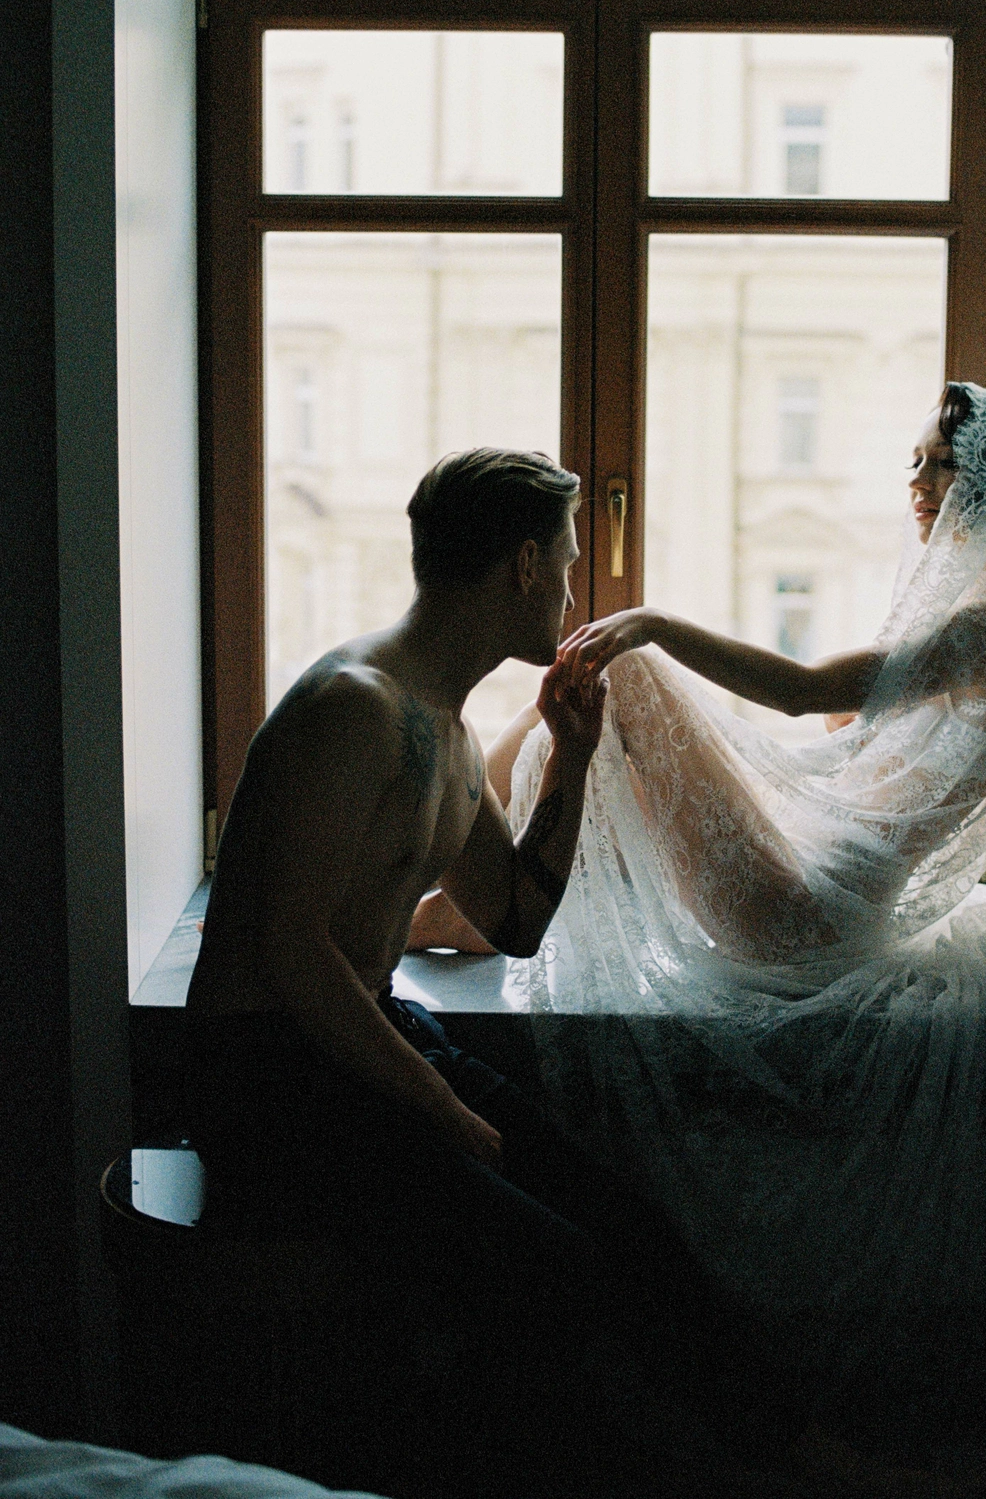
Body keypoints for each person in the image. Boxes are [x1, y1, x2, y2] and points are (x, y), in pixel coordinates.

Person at [412, 385, 986, 1474]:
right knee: (612, 701)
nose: (914, 485)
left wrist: (656, 623)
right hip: (817, 880)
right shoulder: (970, 611)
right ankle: (461, 893)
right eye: (912, 464)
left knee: (625, 669)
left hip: (812, 909)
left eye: (934, 468)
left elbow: (806, 696)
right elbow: (833, 734)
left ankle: (455, 859)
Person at [184, 449, 766, 1499]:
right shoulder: (356, 706)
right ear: (524, 564)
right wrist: (439, 1106)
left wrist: (573, 757)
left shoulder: (446, 733)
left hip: (360, 1037)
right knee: (548, 1272)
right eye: (571, 565)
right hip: (263, 1071)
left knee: (617, 1216)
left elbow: (515, 921)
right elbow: (289, 948)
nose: (576, 595)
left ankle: (786, 1455)